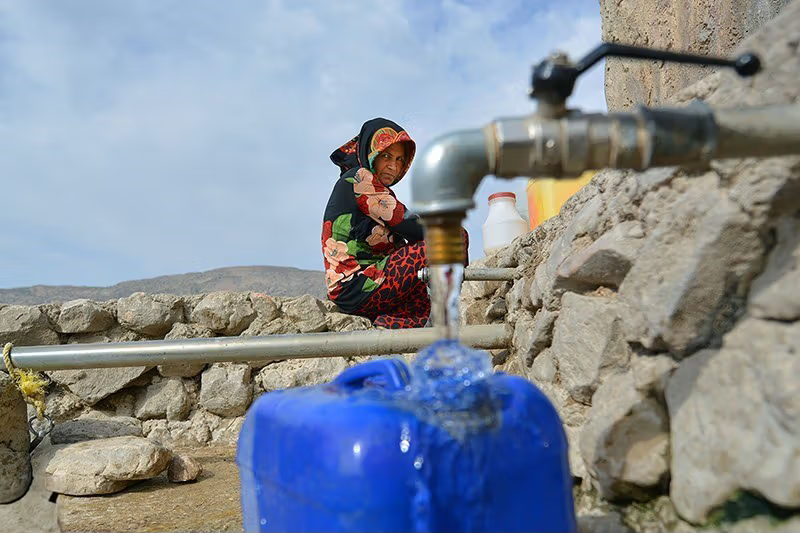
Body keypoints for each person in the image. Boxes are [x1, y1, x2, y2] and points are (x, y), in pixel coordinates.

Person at [321, 117, 467, 329]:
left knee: (420, 294)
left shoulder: (372, 186)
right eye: (386, 156)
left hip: (360, 288)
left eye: (400, 160)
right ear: (371, 154)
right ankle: (457, 304)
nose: (393, 166)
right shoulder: (360, 179)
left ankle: (390, 325)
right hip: (358, 286)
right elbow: (411, 226)